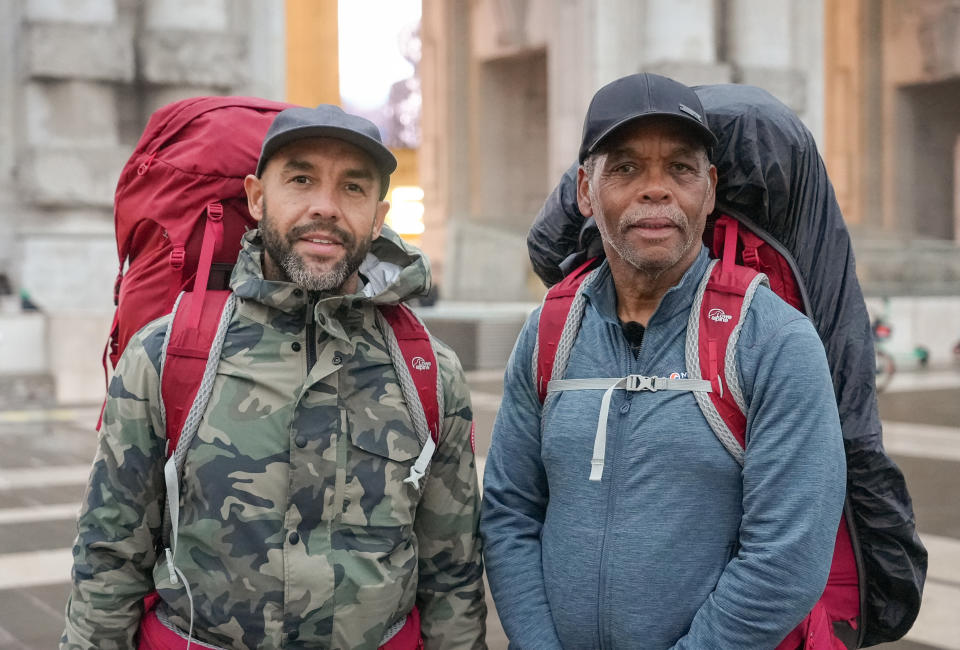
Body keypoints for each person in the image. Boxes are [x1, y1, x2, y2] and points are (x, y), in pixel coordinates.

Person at [62, 104, 486, 649]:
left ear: (378, 218)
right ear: (257, 198)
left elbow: (452, 574)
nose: (325, 207)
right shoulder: (166, 356)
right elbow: (109, 558)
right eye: (301, 179)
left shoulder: (429, 370)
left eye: (352, 188)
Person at [480, 73, 847, 648]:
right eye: (625, 168)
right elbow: (510, 514)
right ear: (585, 190)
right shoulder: (549, 331)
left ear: (709, 187)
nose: (657, 190)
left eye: (680, 168)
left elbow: (785, 557)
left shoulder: (773, 339)